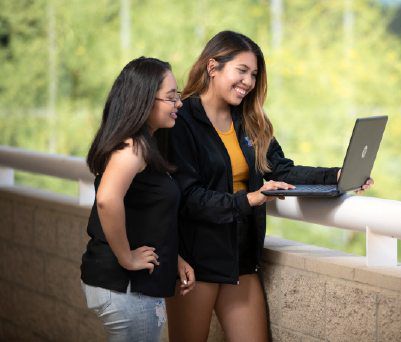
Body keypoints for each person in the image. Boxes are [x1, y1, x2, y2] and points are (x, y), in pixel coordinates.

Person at [158, 31, 373, 342]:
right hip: (194, 259)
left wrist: (336, 176)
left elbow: (281, 169)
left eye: (254, 75)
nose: (249, 82)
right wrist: (250, 199)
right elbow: (188, 197)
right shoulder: (181, 120)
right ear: (212, 66)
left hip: (240, 257)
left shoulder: (249, 120)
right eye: (241, 71)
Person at [80, 56, 195, 342]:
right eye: (171, 97)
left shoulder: (145, 145)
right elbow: (107, 199)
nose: (178, 103)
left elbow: (142, 212)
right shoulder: (133, 147)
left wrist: (174, 258)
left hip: (127, 285)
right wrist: (127, 257)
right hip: (126, 286)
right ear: (145, 100)